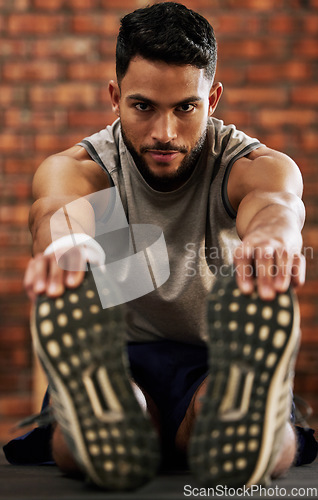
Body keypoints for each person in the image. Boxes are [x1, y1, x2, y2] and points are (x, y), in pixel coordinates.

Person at [3, 1, 317, 491]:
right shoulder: (83, 167)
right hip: (118, 356)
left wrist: (272, 237)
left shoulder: (251, 163)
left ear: (212, 100)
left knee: (230, 414)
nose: (164, 133)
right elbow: (57, 207)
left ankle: (249, 415)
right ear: (115, 96)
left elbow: (275, 201)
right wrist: (66, 243)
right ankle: (99, 417)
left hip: (219, 357)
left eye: (185, 108)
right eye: (143, 106)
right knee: (106, 417)